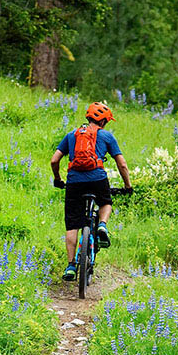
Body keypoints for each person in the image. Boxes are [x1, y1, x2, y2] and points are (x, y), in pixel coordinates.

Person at [50, 102, 132, 281]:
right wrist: (128, 186)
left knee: (72, 224)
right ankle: (102, 224)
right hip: (97, 179)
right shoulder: (106, 136)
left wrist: (58, 179)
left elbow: (54, 160)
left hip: (74, 182)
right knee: (106, 202)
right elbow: (122, 164)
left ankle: (71, 266)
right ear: (103, 121)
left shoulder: (72, 135)